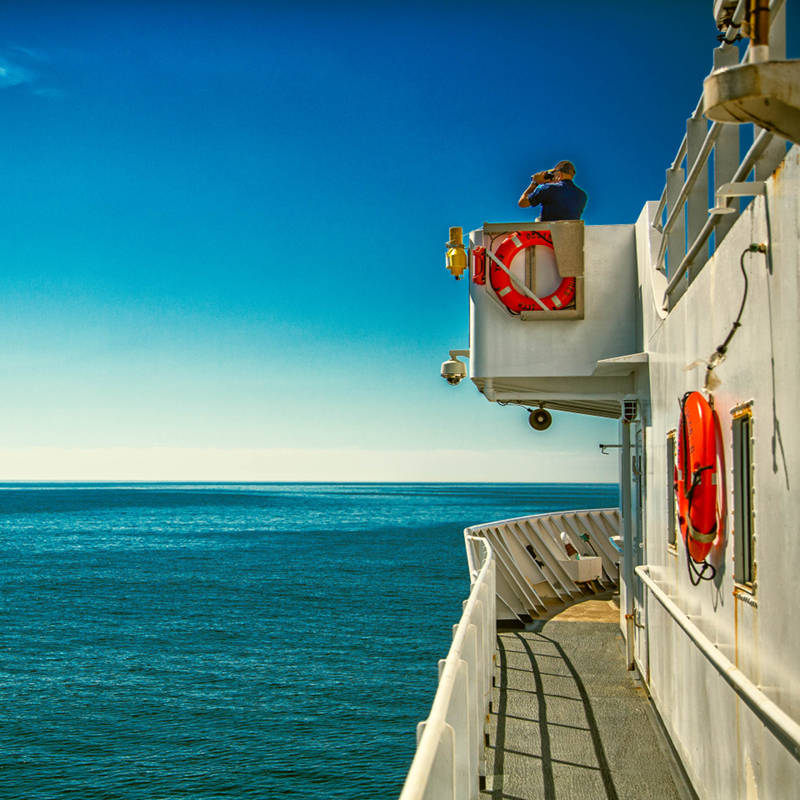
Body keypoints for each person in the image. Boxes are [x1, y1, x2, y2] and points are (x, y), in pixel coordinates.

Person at [517, 160, 587, 221]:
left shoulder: (548, 188)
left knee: (537, 219)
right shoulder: (582, 195)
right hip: (570, 234)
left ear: (559, 174)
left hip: (550, 234)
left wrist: (534, 183)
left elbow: (522, 203)